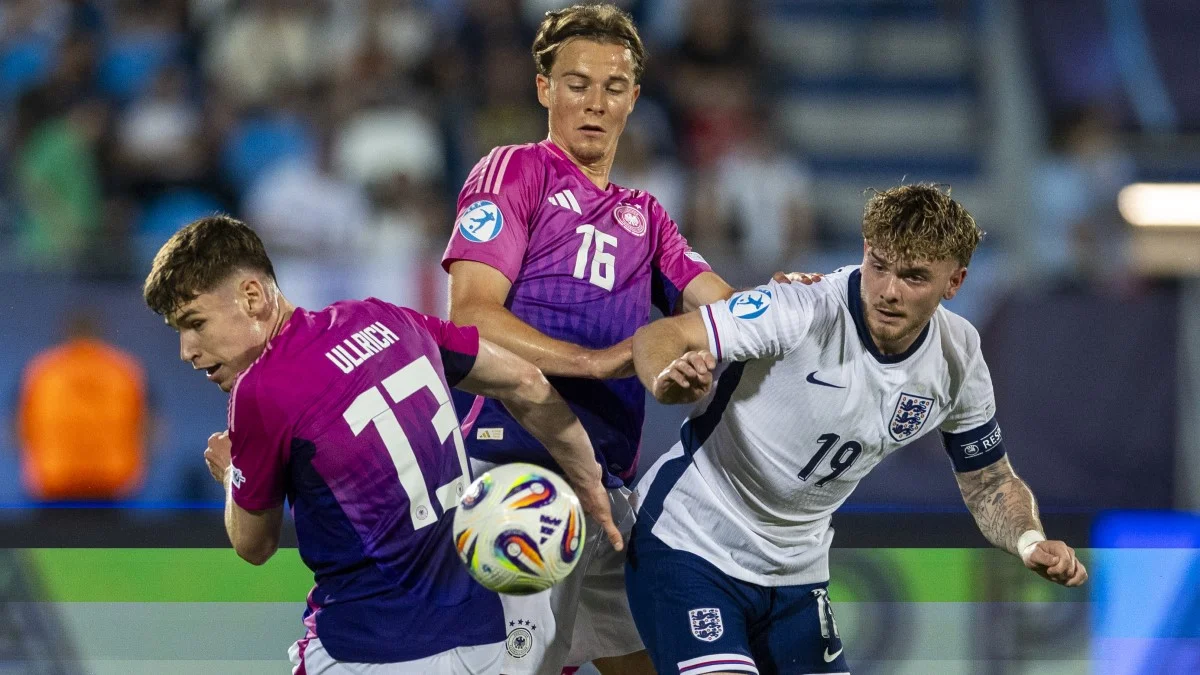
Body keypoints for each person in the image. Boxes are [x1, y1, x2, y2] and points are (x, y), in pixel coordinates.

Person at [627, 184, 1089, 675]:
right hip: (691, 543)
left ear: (954, 282)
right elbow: (661, 335)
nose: (889, 290)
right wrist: (666, 381)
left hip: (796, 575)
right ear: (865, 252)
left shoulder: (958, 356)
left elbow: (989, 480)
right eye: (880, 266)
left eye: (913, 277)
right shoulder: (801, 307)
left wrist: (1028, 541)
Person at [142, 215, 620, 675]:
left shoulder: (260, 390)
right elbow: (526, 380)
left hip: (367, 648)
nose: (187, 350)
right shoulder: (385, 318)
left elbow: (254, 544)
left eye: (195, 323)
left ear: (252, 296)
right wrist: (589, 478)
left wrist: (231, 476)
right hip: (483, 642)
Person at [441, 5, 736, 674]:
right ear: (543, 88)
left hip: (607, 491)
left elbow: (720, 306)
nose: (595, 103)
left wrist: (796, 301)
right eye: (577, 83)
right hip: (519, 472)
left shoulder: (648, 216)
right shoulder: (514, 172)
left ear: (634, 97)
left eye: (612, 86)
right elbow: (472, 318)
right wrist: (595, 363)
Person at [15, 311, 151, 501]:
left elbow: (20, 428)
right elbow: (148, 427)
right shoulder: (124, 370)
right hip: (112, 483)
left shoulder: (43, 370)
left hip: (55, 481)